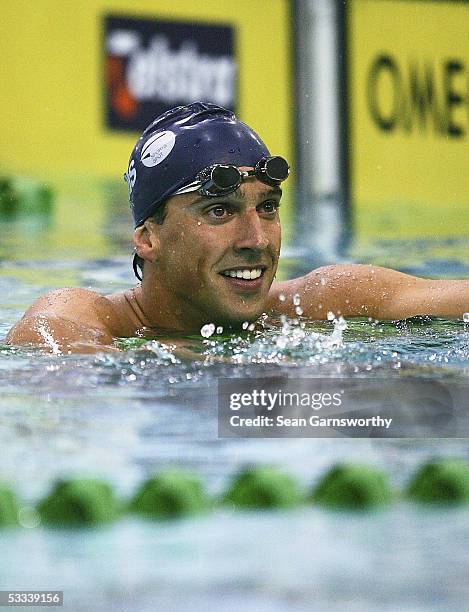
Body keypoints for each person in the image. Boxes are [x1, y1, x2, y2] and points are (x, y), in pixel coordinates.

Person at [5, 102, 469, 354]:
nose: (256, 240)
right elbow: (57, 374)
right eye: (219, 212)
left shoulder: (326, 303)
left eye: (267, 208)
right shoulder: (81, 317)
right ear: (148, 237)